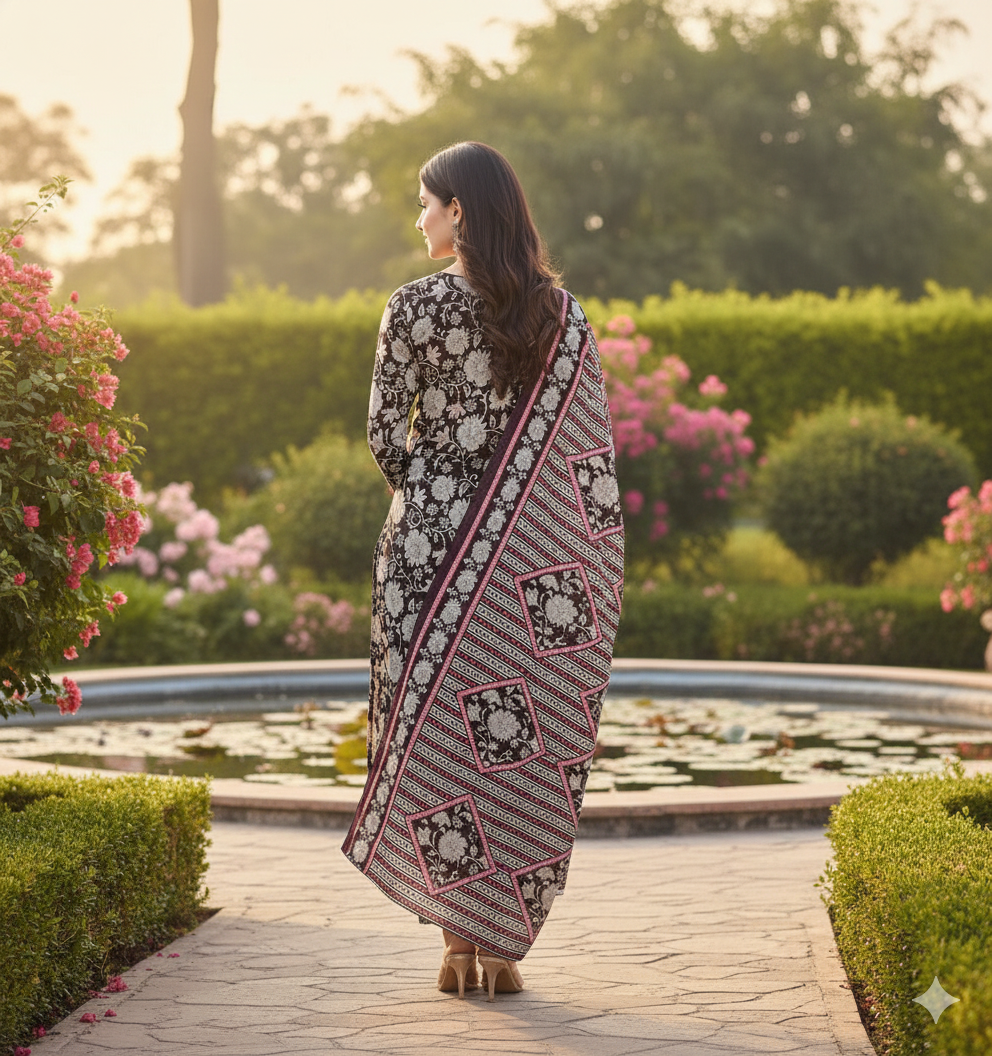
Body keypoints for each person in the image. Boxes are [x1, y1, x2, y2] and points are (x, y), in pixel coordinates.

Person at [342, 141, 624, 1000]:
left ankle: (458, 943)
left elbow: (387, 434)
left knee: (435, 739)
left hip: (427, 553)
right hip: (535, 571)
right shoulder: (563, 316)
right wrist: (511, 523)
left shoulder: (413, 307)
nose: (418, 217)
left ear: (458, 209)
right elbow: (587, 464)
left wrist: (440, 499)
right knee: (513, 740)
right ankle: (498, 942)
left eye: (425, 203)